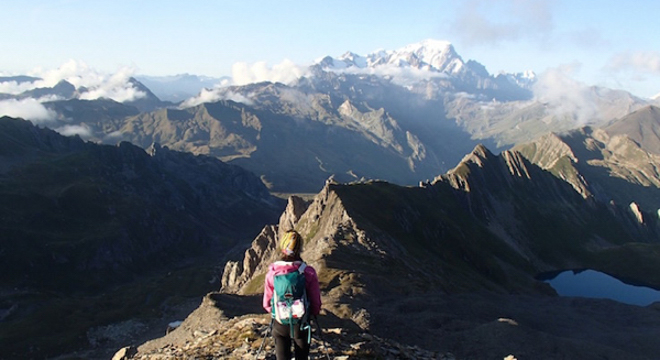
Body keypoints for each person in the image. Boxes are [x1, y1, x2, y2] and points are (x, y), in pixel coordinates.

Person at [263, 230, 322, 360]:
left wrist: (275, 312)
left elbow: (266, 303)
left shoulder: (272, 272)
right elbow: (316, 301)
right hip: (301, 323)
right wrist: (313, 313)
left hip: (280, 323)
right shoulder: (308, 272)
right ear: (299, 249)